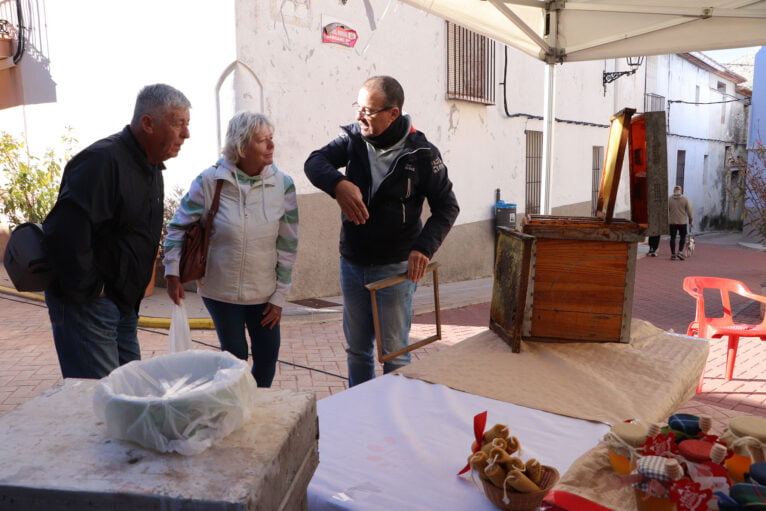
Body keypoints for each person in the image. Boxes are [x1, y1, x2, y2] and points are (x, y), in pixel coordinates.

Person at [304, 75, 459, 387]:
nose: (360, 116)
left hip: (395, 269)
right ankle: (360, 416)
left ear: (393, 113)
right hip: (353, 263)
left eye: (369, 111)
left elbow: (447, 206)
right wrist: (339, 184)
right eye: (358, 108)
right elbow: (314, 162)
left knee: (395, 353)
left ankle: (395, 420)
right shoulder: (352, 141)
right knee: (358, 351)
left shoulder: (423, 153)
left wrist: (423, 247)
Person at [43, 84, 191, 379]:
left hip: (123, 305)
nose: (186, 135)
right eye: (179, 124)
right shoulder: (101, 162)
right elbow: (65, 235)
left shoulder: (151, 167)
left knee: (128, 394)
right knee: (99, 399)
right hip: (90, 305)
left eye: (187, 125)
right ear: (148, 123)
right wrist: (95, 291)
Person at [163, 112, 298, 388]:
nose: (271, 146)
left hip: (264, 293)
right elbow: (178, 226)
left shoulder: (283, 185)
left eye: (271, 139)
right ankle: (236, 409)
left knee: (267, 356)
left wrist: (280, 295)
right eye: (262, 141)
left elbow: (288, 242)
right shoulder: (210, 181)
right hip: (220, 292)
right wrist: (172, 272)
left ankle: (258, 406)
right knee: (235, 357)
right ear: (241, 146)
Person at [668, 185, 693, 260]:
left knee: (672, 238)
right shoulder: (685, 199)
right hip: (682, 222)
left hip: (672, 222)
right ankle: (680, 252)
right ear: (681, 191)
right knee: (682, 237)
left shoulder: (669, 199)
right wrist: (691, 220)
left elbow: (666, 210)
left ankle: (673, 254)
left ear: (673, 191)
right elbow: (689, 211)